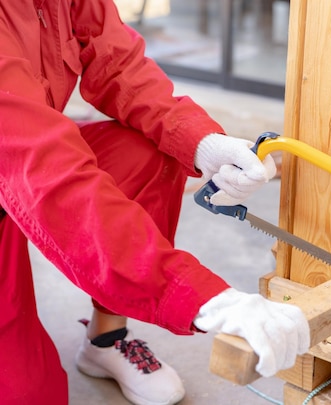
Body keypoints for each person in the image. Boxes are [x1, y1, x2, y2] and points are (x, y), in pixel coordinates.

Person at [0, 1, 310, 405]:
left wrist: (201, 142)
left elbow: (118, 65)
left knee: (152, 148)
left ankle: (106, 339)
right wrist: (200, 297)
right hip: (23, 162)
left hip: (22, 160)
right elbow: (49, 178)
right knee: (28, 396)